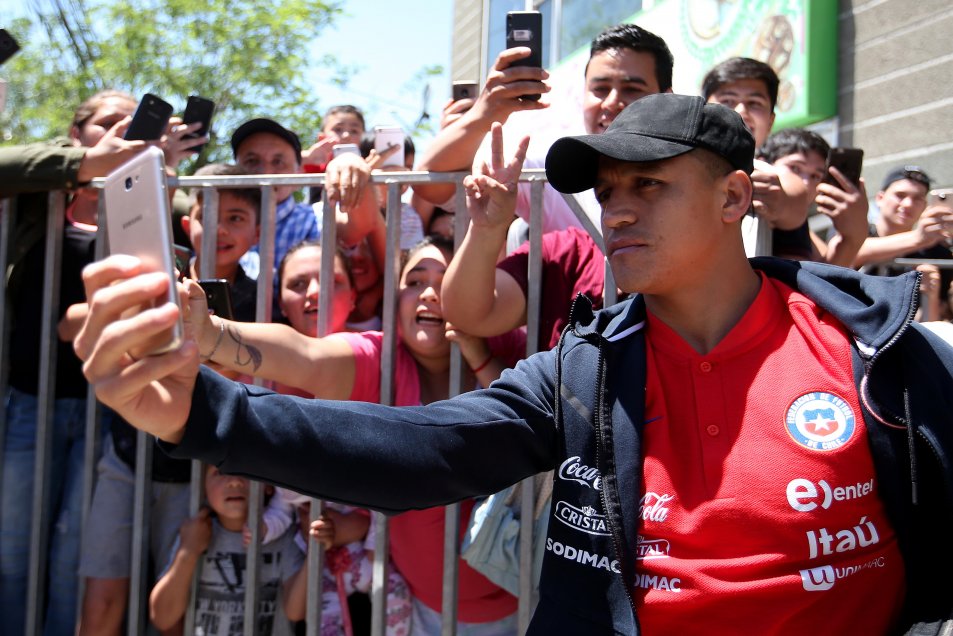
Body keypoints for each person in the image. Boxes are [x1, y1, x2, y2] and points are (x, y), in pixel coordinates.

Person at [76, 94, 953, 634]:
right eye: (606, 190)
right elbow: (426, 449)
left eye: (649, 185)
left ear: (732, 197)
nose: (618, 209)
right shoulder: (585, 367)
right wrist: (204, 414)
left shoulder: (875, 350)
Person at [183, 235, 524, 634]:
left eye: (445, 280)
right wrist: (211, 334)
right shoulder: (378, 358)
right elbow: (306, 356)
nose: (429, 293)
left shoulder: (509, 344)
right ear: (393, 303)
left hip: (530, 599)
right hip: (426, 613)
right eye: (413, 282)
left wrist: (482, 356)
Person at [0, 88, 203, 636]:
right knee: (15, 547)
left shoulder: (147, 202)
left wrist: (162, 166)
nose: (126, 130)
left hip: (105, 408)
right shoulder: (36, 201)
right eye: (109, 121)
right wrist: (89, 166)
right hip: (29, 404)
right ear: (77, 135)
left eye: (133, 122)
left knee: (73, 557)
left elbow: (210, 216)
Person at [441, 23, 676, 352]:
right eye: (603, 191)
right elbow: (471, 313)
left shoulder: (703, 218)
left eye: (648, 185)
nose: (613, 102)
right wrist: (487, 228)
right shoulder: (570, 250)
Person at [415, 22, 674, 235]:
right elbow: (431, 182)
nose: (612, 102)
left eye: (632, 89)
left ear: (667, 98)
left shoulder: (693, 170)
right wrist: (485, 112)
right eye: (600, 89)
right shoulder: (554, 171)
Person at [701, 56, 869, 264]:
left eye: (754, 103)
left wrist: (853, 236)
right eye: (727, 101)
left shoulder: (776, 179)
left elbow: (792, 197)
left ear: (770, 121)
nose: (741, 111)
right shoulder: (675, 164)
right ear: (702, 112)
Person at [149, 464, 305, 635]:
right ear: (203, 487)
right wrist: (188, 551)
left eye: (246, 472)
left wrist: (314, 544)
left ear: (269, 486)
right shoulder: (195, 534)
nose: (234, 482)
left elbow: (297, 612)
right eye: (220, 472)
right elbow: (162, 618)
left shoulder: (285, 537)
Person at [755, 128, 870, 266]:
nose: (805, 182)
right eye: (795, 168)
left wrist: (853, 237)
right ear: (763, 163)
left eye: (815, 176)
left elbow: (820, 277)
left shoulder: (805, 230)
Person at [182, 163, 261, 322]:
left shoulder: (262, 301)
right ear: (187, 226)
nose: (219, 230)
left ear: (257, 234)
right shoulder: (167, 285)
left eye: (235, 218)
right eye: (206, 217)